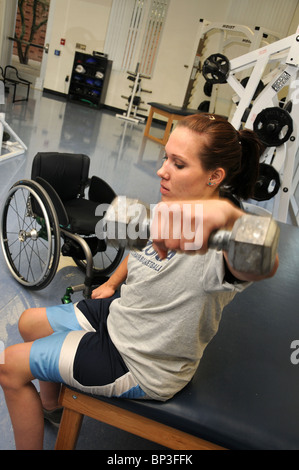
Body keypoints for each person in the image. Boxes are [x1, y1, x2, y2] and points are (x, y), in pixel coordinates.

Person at [0, 114, 279, 450]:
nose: (162, 170)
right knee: (28, 322)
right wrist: (113, 283)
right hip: (123, 315)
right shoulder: (170, 204)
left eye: (178, 164)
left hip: (140, 361)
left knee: (8, 367)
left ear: (214, 176)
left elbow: (263, 262)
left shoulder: (220, 242)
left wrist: (228, 216)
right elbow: (140, 247)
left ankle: (51, 400)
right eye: (166, 157)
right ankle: (52, 407)